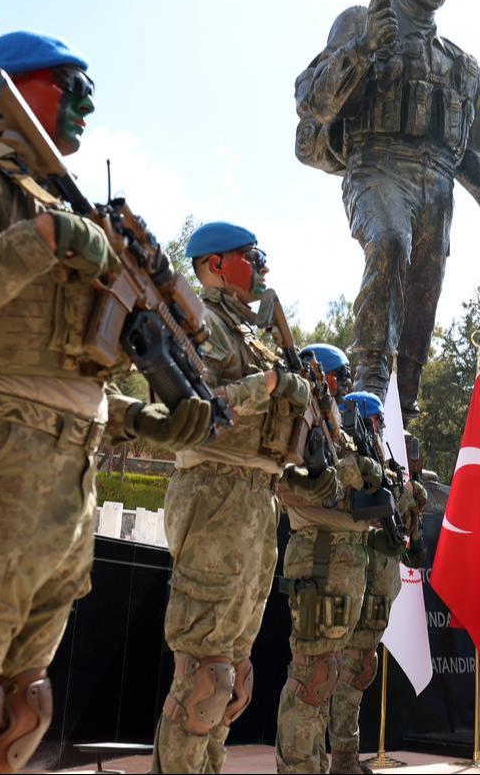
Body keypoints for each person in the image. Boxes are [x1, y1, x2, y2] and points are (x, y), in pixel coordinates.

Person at [0, 31, 212, 774]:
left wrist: (153, 415)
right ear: (11, 85)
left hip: (61, 487)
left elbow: (63, 373)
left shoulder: (61, 206)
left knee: (22, 711)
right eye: (69, 84)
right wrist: (43, 240)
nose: (86, 104)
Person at [295, 0, 480, 418]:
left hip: (438, 184)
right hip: (376, 165)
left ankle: (403, 400)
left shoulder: (462, 67)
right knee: (390, 242)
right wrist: (362, 48)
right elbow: (311, 99)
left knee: (426, 283)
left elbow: (472, 153)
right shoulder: (360, 22)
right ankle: (370, 379)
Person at [151, 222, 312, 773]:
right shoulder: (202, 323)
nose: (262, 266)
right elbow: (189, 406)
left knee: (232, 678)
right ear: (215, 264)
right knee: (204, 677)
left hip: (257, 498)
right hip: (216, 492)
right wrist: (264, 387)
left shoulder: (254, 332)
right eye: (252, 256)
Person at [274, 360, 383, 774]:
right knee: (311, 679)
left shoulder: (336, 435)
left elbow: (355, 497)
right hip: (319, 562)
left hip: (341, 571)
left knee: (327, 675)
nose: (338, 385)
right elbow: (288, 484)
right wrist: (350, 476)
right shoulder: (301, 427)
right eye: (335, 377)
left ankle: (318, 765)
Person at [322, 391, 427, 775]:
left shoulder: (388, 466)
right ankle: (341, 759)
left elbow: (404, 522)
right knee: (344, 674)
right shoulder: (353, 460)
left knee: (361, 669)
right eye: (377, 421)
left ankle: (346, 757)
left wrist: (413, 496)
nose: (381, 429)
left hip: (381, 586)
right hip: (358, 582)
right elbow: (362, 508)